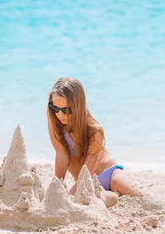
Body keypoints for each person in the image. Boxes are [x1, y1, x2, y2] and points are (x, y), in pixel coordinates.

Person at [47, 77, 138, 207]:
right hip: (84, 180)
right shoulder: (56, 124)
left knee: (138, 197)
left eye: (66, 110)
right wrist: (57, 188)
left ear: (78, 107)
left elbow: (86, 174)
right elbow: (61, 155)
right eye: (55, 108)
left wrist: (70, 195)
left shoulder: (95, 131)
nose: (60, 114)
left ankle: (110, 196)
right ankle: (109, 196)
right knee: (73, 197)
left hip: (108, 173)